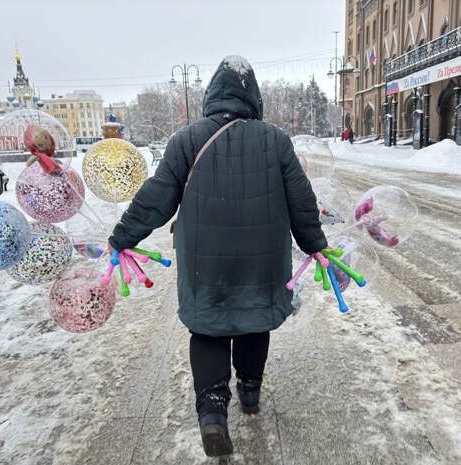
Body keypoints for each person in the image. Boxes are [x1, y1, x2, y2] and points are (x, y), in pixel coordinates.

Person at [108, 55, 327, 457]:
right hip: (262, 263)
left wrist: (123, 235)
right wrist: (315, 244)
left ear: (211, 95)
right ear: (254, 97)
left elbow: (155, 198)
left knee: (208, 330)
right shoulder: (276, 140)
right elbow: (302, 201)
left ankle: (211, 413)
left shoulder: (185, 140)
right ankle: (249, 390)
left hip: (203, 263)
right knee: (254, 321)